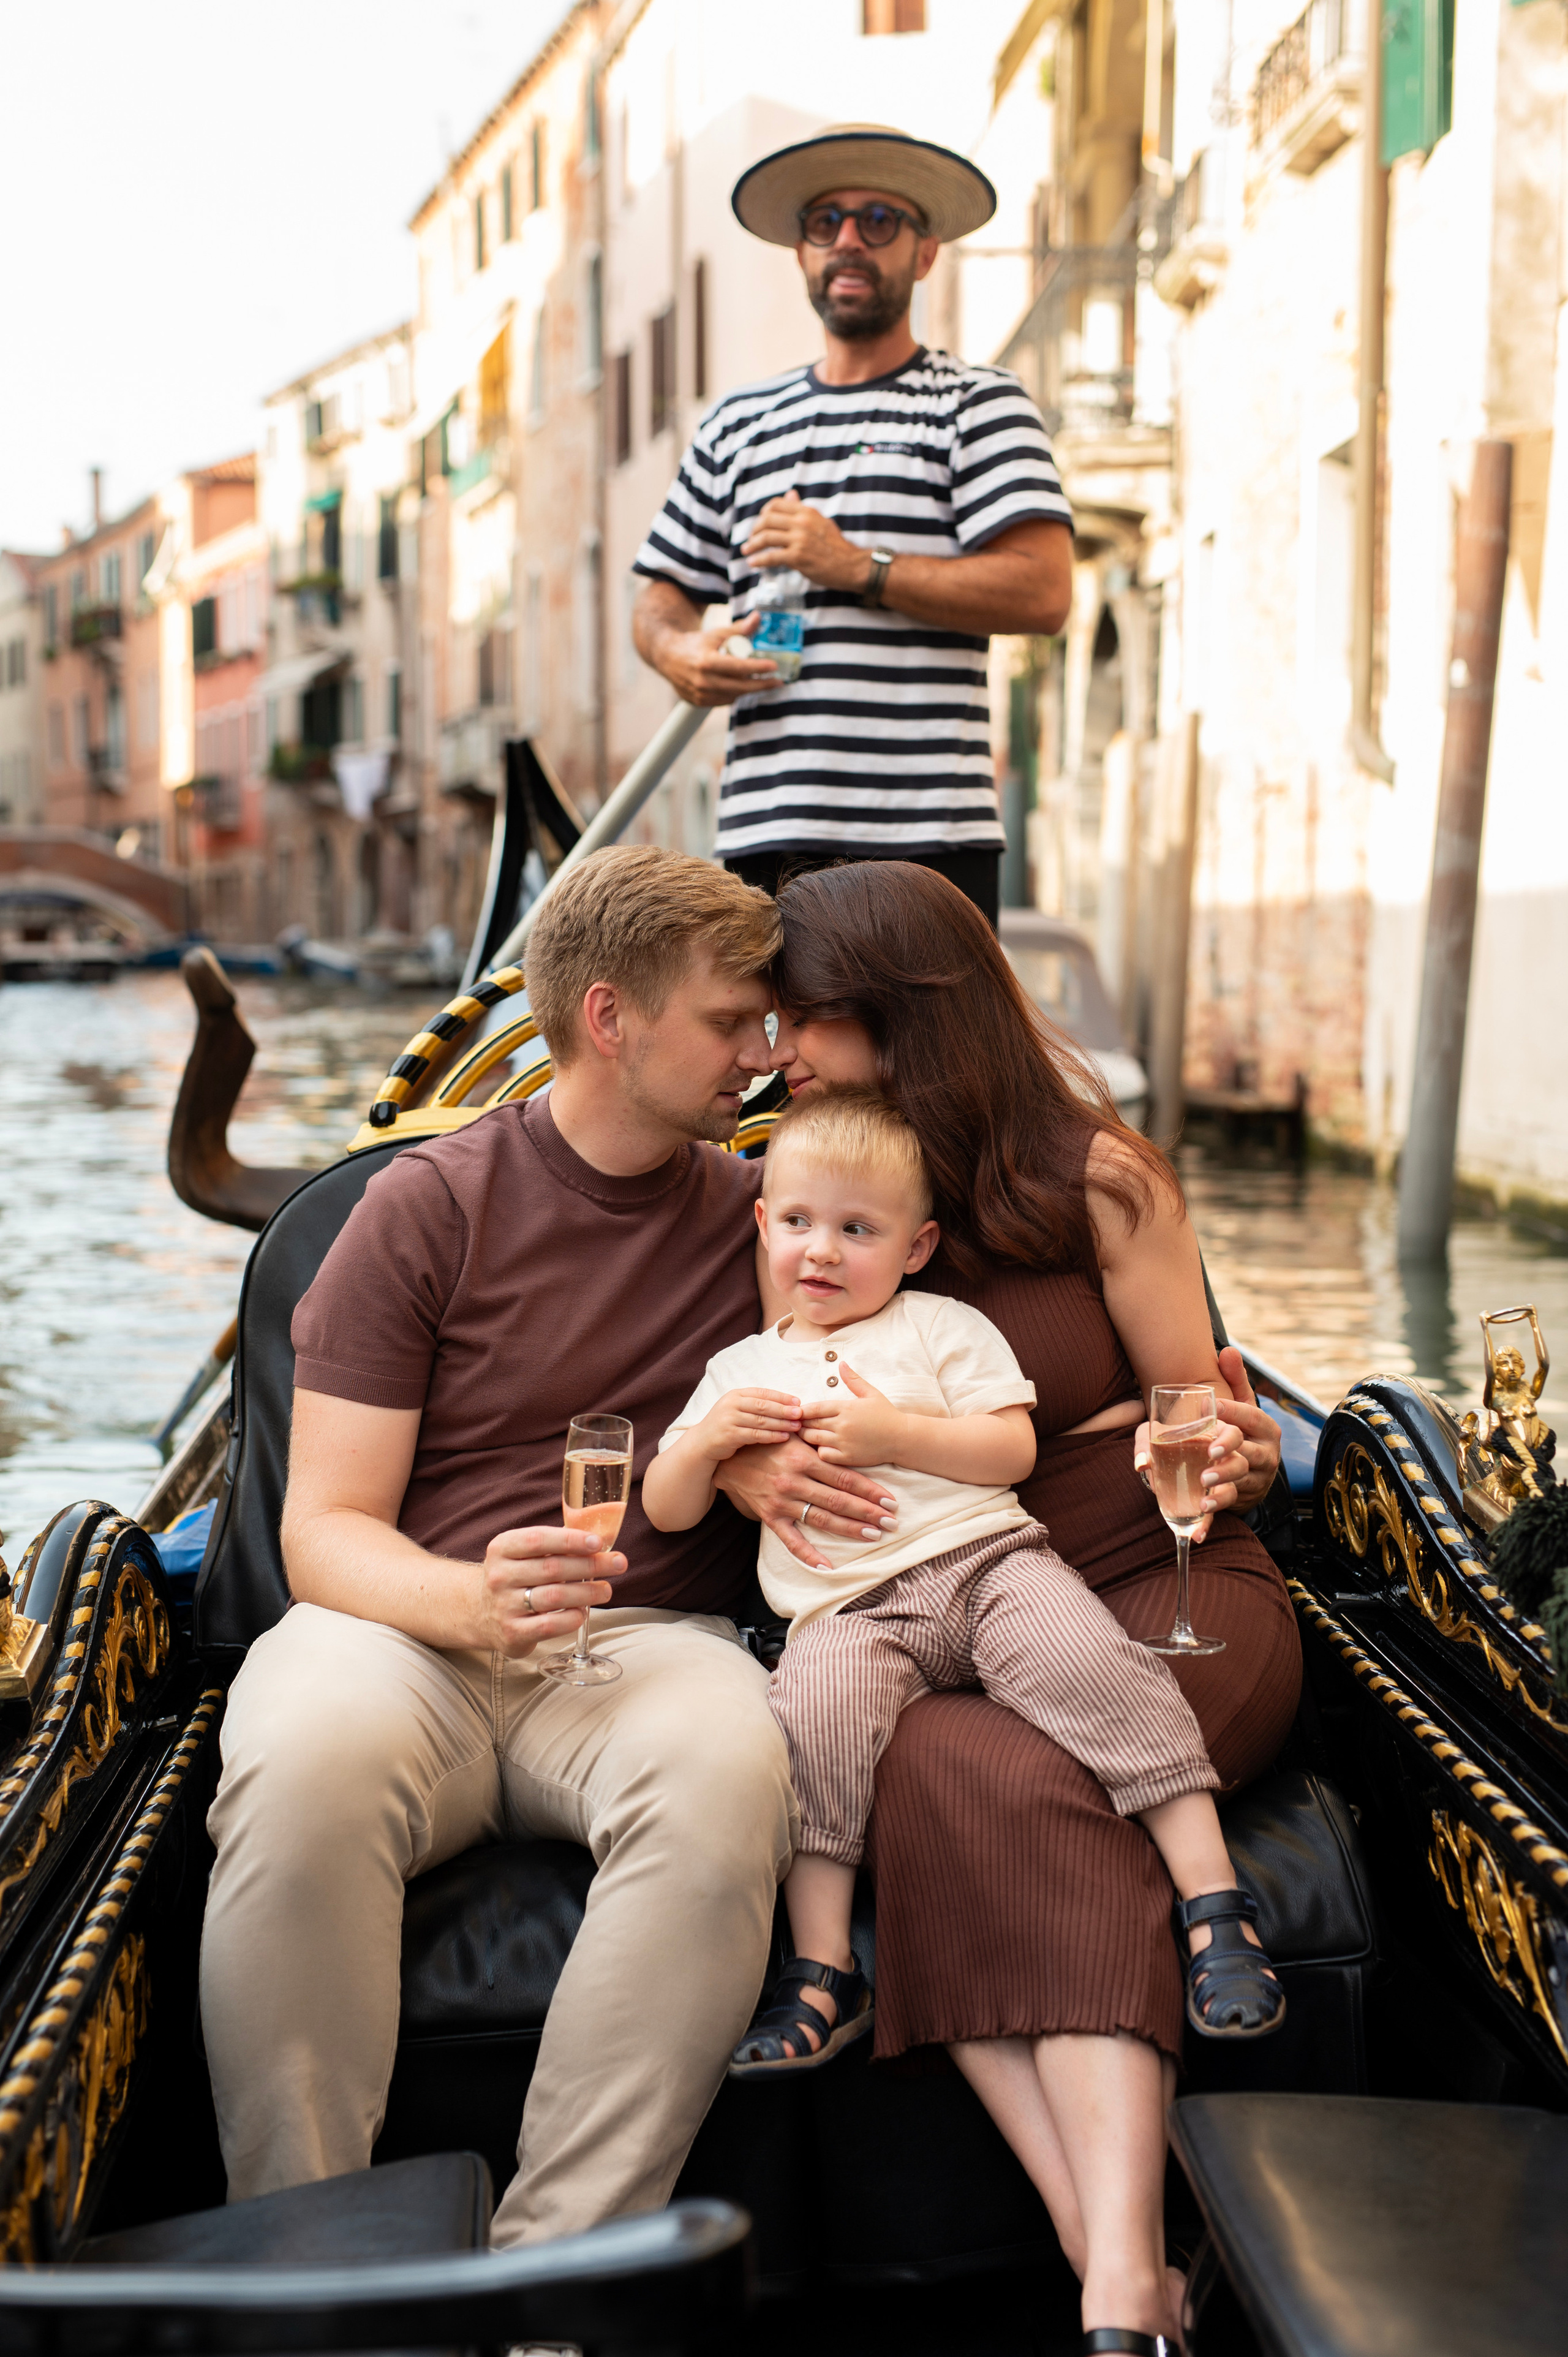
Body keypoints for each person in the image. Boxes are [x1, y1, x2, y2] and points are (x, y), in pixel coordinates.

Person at [709, 860, 1297, 2357]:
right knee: (931, 1771)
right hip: (928, 1614)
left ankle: (1112, 2280)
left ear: (896, 1014)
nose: (777, 1052)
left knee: (1021, 1772)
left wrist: (1235, 1449)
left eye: (800, 1020)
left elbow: (1193, 1411)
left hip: (1163, 1585)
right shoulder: (820, 1193)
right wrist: (748, 1474)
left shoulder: (1102, 1178)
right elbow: (753, 1394)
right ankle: (1122, 2271)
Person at [198, 845, 805, 2249]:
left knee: (729, 1770)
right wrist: (465, 1598)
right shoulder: (425, 1207)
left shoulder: (763, 1222)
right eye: (730, 1021)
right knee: (299, 1762)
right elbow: (322, 1531)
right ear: (610, 1018)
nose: (761, 1055)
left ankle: (552, 2284)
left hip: (644, 1646)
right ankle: (312, 2269)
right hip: (406, 1631)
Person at [645, 1084, 1281, 2078]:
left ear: (917, 1248)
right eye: (800, 1223)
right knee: (811, 1728)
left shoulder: (939, 1327)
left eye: (858, 1231)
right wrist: (707, 1448)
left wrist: (896, 1434)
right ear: (763, 1225)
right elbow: (667, 1506)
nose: (822, 1253)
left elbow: (1010, 1449)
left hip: (986, 1566)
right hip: (845, 1613)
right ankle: (822, 1968)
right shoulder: (739, 1373)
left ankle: (1215, 1906)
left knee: (1096, 1669)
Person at [630, 122, 1073, 929]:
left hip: (931, 841)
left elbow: (1043, 592)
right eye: (824, 222)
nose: (847, 241)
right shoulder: (736, 424)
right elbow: (660, 595)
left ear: (925, 252)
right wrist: (676, 652)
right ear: (801, 253)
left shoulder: (978, 403)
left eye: (878, 221)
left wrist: (856, 565)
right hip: (768, 838)